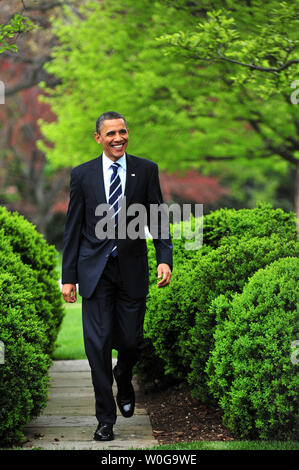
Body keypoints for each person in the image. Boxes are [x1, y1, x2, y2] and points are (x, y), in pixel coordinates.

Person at [61, 111, 173, 441]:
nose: (118, 138)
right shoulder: (82, 175)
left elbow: (159, 218)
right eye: (110, 134)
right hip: (94, 272)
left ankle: (124, 376)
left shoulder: (146, 170)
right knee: (97, 347)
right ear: (98, 138)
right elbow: (73, 228)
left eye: (122, 132)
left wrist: (164, 258)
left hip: (132, 270)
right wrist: (69, 276)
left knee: (130, 342)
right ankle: (104, 418)